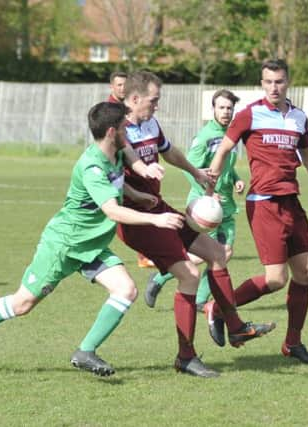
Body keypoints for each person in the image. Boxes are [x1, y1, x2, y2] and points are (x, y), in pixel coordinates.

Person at [0, 102, 184, 377]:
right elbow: (111, 210)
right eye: (123, 129)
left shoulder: (116, 155)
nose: (127, 134)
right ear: (111, 132)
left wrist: (137, 194)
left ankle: (85, 351)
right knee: (22, 304)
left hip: (92, 246)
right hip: (64, 245)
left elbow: (116, 182)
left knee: (126, 290)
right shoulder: (91, 165)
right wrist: (156, 219)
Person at [117, 71, 276, 378]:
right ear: (134, 99)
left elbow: (170, 151)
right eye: (154, 100)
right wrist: (138, 194)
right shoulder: (117, 131)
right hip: (139, 220)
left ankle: (236, 327)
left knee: (217, 253)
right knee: (190, 275)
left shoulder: (149, 123)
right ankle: (186, 356)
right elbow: (110, 179)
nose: (157, 106)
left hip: (158, 209)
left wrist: (196, 171)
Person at [206, 59, 308, 364]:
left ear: (288, 82)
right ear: (262, 83)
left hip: (291, 202)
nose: (273, 87)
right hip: (264, 203)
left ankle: (293, 343)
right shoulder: (250, 114)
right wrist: (210, 190)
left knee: (305, 273)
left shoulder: (298, 117)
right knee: (276, 278)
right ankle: (218, 306)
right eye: (267, 82)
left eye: (278, 81)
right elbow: (224, 149)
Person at [144, 89, 244, 312]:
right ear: (213, 109)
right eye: (221, 107)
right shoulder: (204, 137)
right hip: (205, 206)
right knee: (208, 255)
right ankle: (161, 279)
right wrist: (207, 191)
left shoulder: (230, 135)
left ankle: (200, 299)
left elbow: (227, 165)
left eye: (229, 108)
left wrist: (236, 179)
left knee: (224, 254)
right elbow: (189, 169)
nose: (226, 111)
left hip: (226, 206)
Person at [107, 71, 155, 268]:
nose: (122, 88)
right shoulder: (110, 111)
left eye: (124, 85)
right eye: (118, 85)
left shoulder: (138, 114)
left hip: (137, 184)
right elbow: (122, 146)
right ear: (112, 87)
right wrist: (141, 167)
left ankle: (145, 255)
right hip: (121, 180)